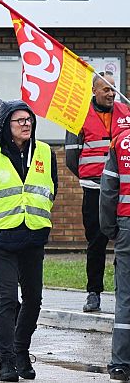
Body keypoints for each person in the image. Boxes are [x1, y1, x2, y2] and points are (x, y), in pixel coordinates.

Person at [0, 101, 57, 382]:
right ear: (7, 125)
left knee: (33, 299)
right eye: (19, 120)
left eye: (29, 119)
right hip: (1, 237)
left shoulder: (44, 152)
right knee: (6, 299)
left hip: (33, 235)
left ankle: (21, 351)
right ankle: (5, 361)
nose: (26, 124)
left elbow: (50, 188)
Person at [65, 70, 130, 313]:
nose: (111, 93)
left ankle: (121, 291)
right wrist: (90, 177)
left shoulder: (126, 114)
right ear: (94, 91)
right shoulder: (79, 117)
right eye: (106, 89)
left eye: (114, 89)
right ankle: (94, 292)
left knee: (124, 241)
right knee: (96, 242)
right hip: (93, 190)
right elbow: (72, 157)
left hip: (122, 190)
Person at [100, 124, 130, 382]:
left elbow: (108, 190)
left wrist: (110, 228)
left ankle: (121, 364)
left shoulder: (120, 143)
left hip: (126, 226)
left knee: (126, 297)